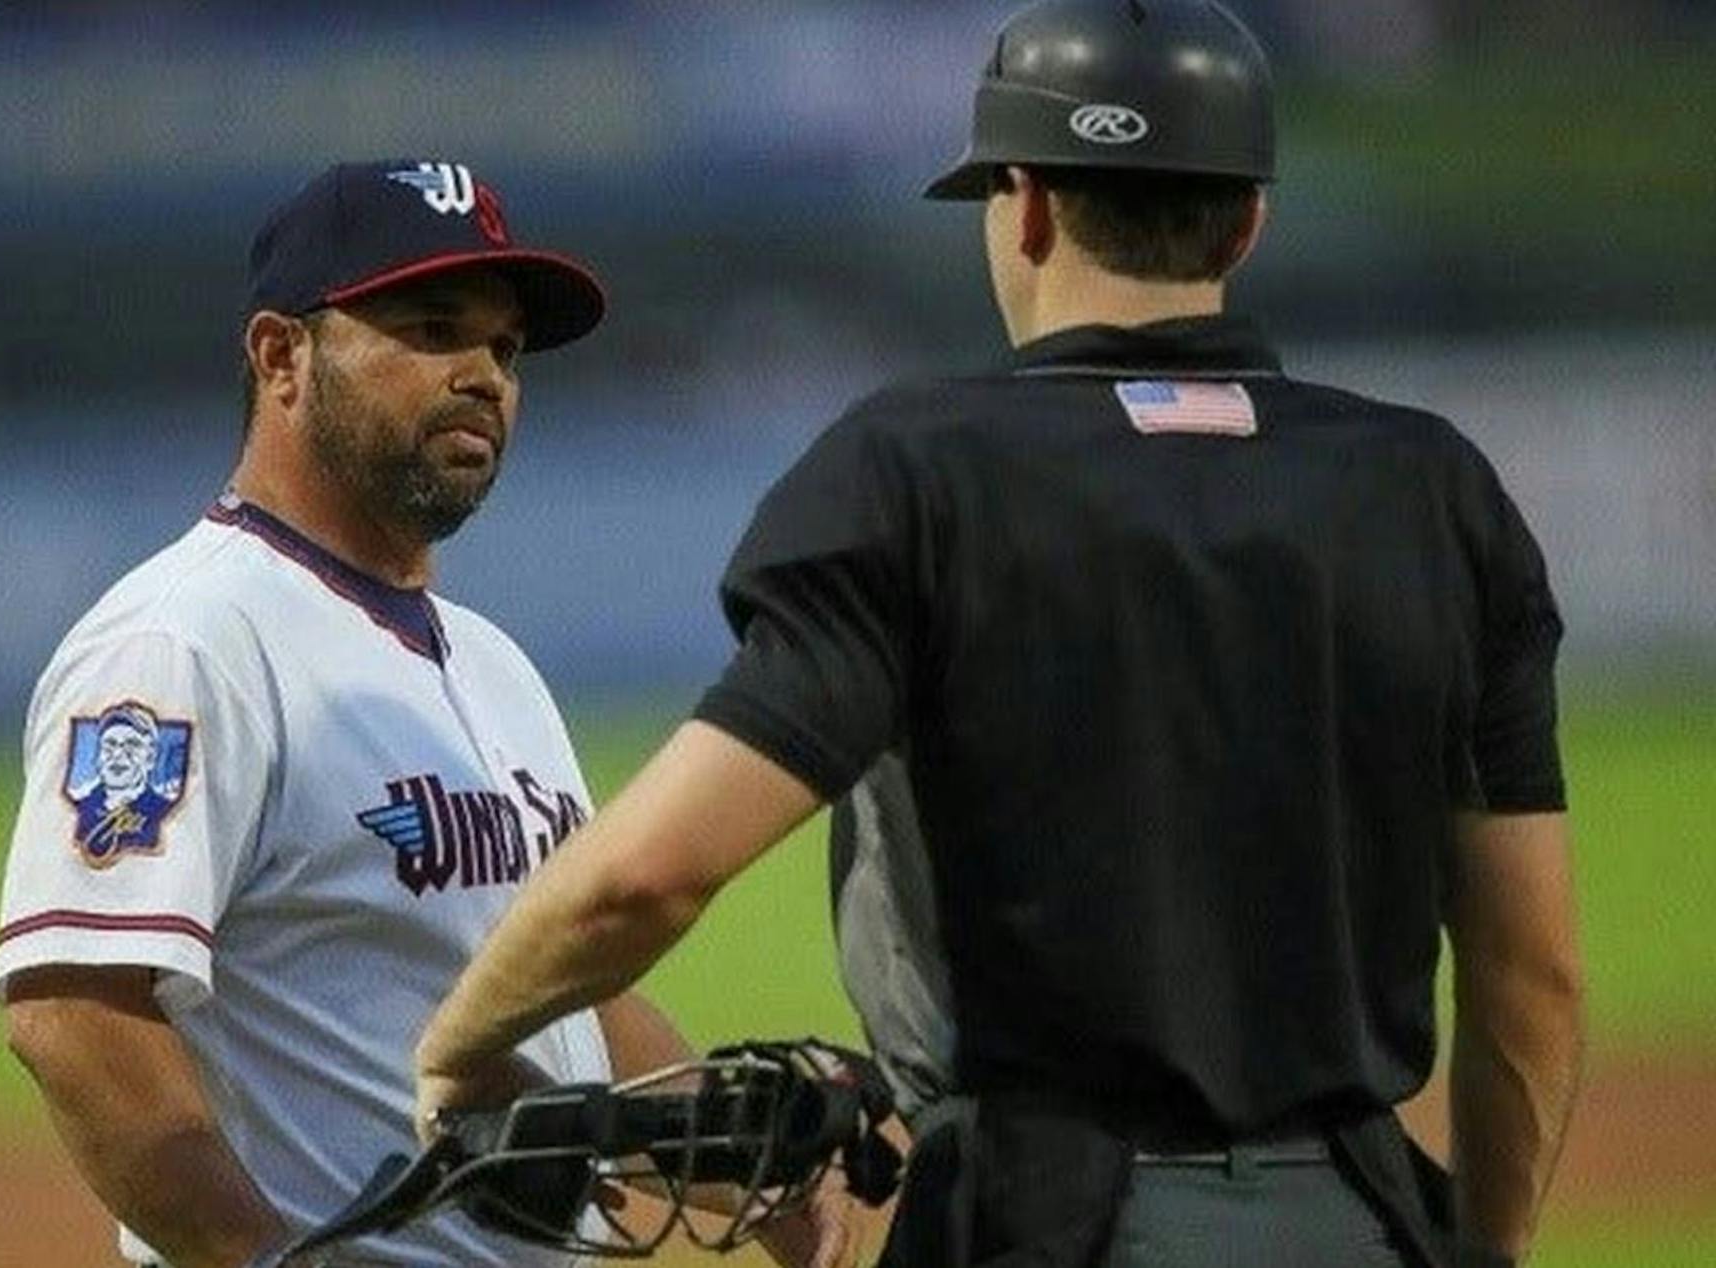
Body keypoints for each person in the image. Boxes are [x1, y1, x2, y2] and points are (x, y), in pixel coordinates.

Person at [413, 5, 1585, 1268]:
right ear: (1247, 220)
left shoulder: (917, 477)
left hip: (1040, 1224)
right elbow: (1532, 975)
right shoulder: (1432, 493)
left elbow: (648, 874)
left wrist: (458, 1046)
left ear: (1021, 206)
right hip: (1355, 1222)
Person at [0, 159, 848, 1268]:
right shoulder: (184, 642)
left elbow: (575, 1003)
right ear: (282, 356)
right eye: (435, 329)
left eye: (506, 349)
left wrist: (747, 1164)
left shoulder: (494, 667)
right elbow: (72, 1013)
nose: (483, 375)